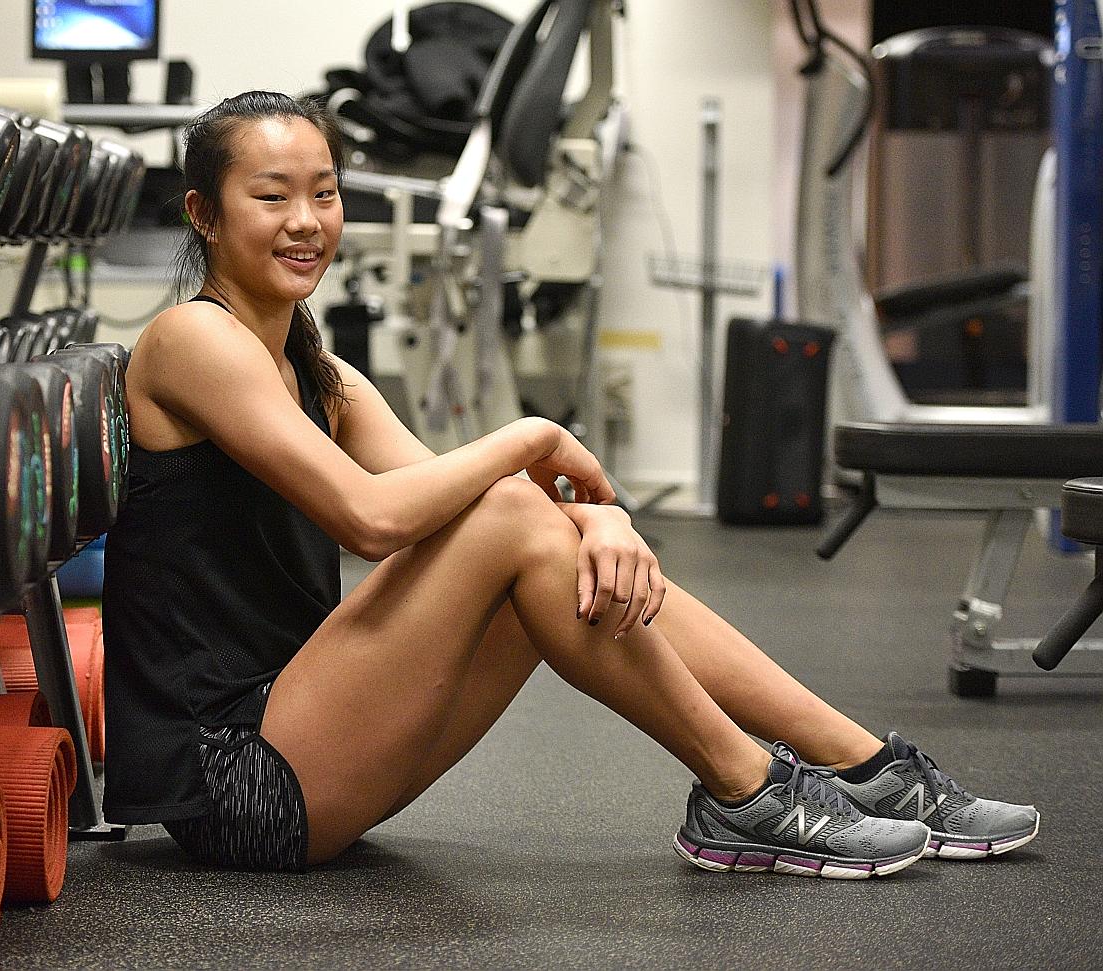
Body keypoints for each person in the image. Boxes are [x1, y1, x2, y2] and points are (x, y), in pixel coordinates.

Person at [100, 90, 1040, 877]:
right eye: (273, 197)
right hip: (240, 781)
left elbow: (447, 502)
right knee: (516, 509)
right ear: (203, 215)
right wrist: (537, 437)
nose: (307, 222)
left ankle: (866, 763)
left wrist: (598, 521)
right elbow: (373, 519)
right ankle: (747, 788)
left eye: (326, 194)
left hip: (317, 745)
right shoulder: (193, 340)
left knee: (539, 533)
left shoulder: (319, 370)